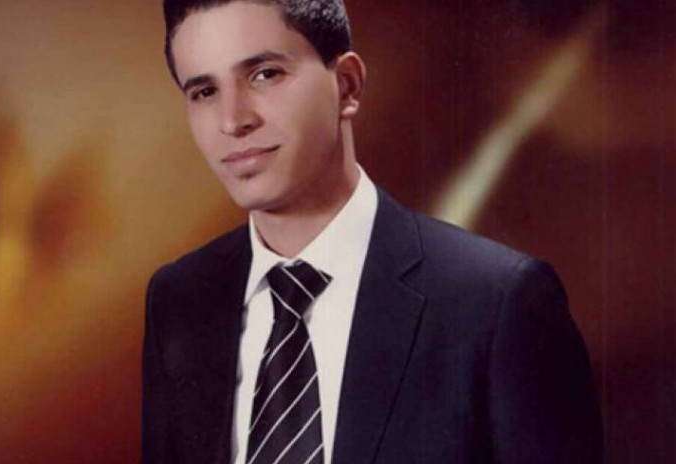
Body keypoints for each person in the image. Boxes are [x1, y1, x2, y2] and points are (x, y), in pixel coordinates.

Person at [142, 0, 603, 463]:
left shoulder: (496, 302)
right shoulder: (180, 301)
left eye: (265, 74)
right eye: (204, 91)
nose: (233, 120)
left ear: (346, 85)